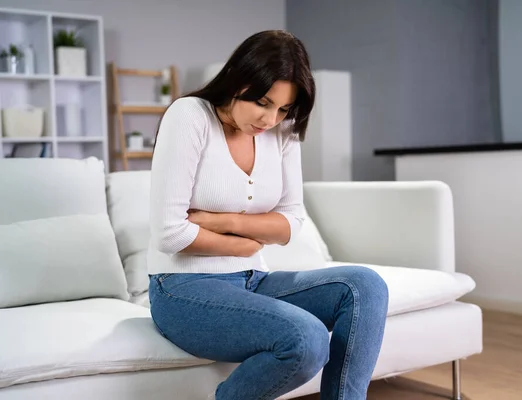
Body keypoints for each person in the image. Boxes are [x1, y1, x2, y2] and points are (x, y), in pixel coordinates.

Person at [147, 30, 389, 400]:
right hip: (182, 288)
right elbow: (171, 235)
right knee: (306, 338)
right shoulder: (189, 116)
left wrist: (222, 222)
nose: (270, 119)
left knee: (365, 286)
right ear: (238, 79)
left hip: (254, 280)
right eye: (262, 102)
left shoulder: (283, 132)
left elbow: (292, 222)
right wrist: (247, 245)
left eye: (283, 109)